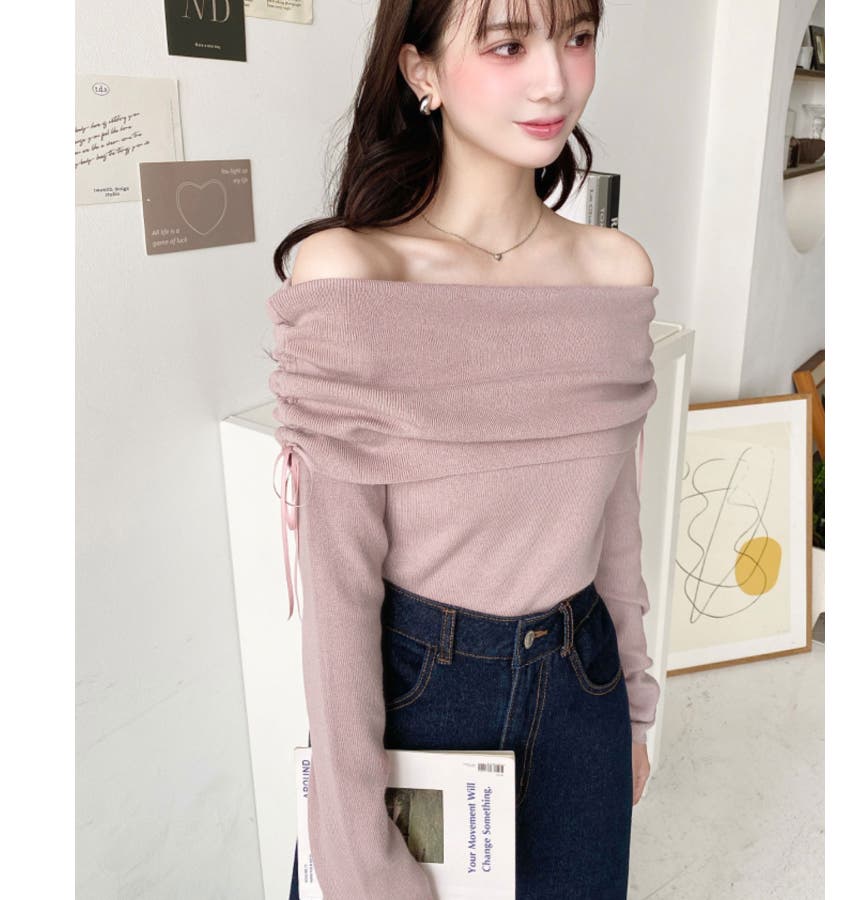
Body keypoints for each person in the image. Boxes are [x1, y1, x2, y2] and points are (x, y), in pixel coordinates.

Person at [269, 1, 660, 897]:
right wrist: (355, 844)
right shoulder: (355, 275)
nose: (554, 79)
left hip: (583, 688)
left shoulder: (615, 272)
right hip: (420, 694)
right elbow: (338, 587)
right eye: (508, 45)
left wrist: (634, 714)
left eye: (577, 37)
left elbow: (616, 526)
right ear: (421, 73)